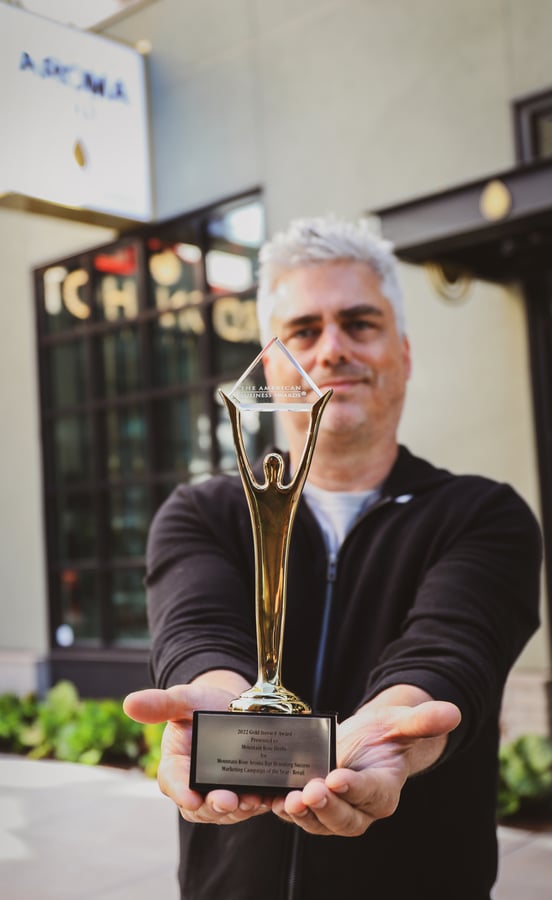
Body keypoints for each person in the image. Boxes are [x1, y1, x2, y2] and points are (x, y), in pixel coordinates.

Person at [124, 218, 541, 899]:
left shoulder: (482, 515)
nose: (331, 350)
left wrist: (397, 726)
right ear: (272, 361)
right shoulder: (202, 513)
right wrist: (222, 702)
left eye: (360, 323)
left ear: (403, 353)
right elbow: (196, 629)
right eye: (304, 331)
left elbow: (451, 647)